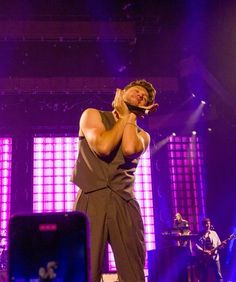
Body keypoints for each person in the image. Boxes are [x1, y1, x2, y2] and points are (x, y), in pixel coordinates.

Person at [71, 79, 158, 282]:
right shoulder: (92, 115)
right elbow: (103, 147)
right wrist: (124, 116)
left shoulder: (142, 135)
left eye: (144, 97)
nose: (140, 96)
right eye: (137, 91)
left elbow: (128, 149)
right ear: (122, 92)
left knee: (133, 272)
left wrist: (130, 117)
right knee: (86, 269)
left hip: (124, 202)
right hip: (91, 197)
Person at [196, 218, 224, 282]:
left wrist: (221, 245)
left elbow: (219, 244)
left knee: (218, 275)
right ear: (203, 225)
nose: (208, 225)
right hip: (205, 258)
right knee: (204, 276)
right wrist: (205, 251)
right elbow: (197, 246)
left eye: (208, 223)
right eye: (206, 224)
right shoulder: (200, 234)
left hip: (215, 257)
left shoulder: (214, 233)